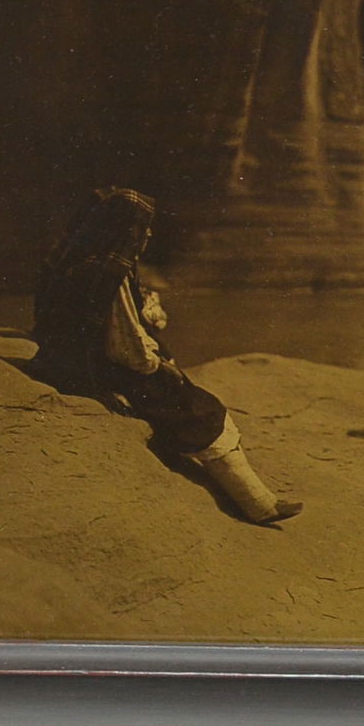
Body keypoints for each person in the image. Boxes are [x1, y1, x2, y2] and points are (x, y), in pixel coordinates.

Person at [31, 187, 302, 525]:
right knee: (202, 409)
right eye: (141, 227)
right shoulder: (110, 277)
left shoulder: (88, 262)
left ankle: (258, 499)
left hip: (73, 363)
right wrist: (160, 366)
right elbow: (127, 351)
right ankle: (259, 504)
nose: (147, 234)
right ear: (125, 229)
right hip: (97, 372)